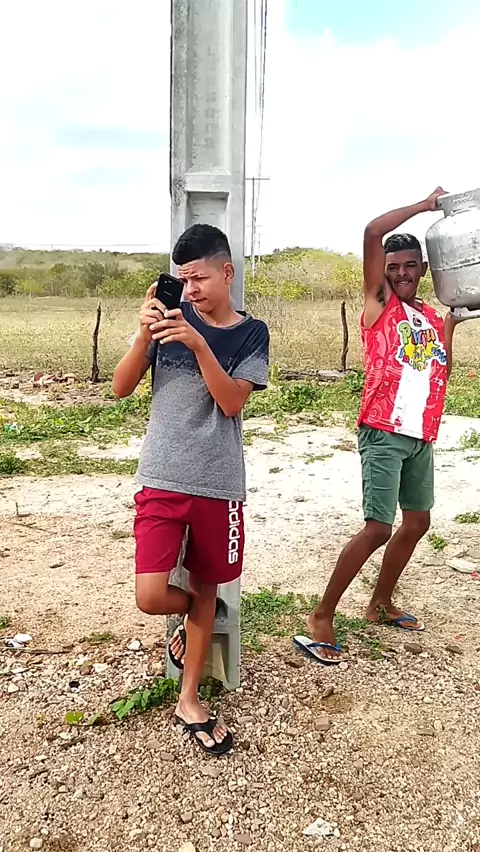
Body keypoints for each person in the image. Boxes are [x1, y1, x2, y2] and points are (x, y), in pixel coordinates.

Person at [112, 224, 269, 753]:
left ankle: (189, 698)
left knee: (207, 585)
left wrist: (200, 344)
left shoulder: (252, 333)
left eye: (199, 278)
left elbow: (232, 401)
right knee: (150, 594)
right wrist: (143, 335)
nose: (191, 289)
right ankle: (194, 615)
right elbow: (121, 387)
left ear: (227, 272)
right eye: (184, 280)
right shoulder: (166, 323)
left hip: (218, 482)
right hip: (160, 475)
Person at [299, 187, 463, 664]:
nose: (401, 273)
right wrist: (424, 206)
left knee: (418, 522)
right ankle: (322, 615)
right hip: (384, 430)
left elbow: (438, 370)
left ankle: (380, 603)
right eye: (393, 267)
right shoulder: (380, 304)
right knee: (377, 527)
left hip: (420, 435)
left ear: (424, 269)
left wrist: (450, 327)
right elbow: (373, 231)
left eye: (410, 265)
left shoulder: (428, 316)